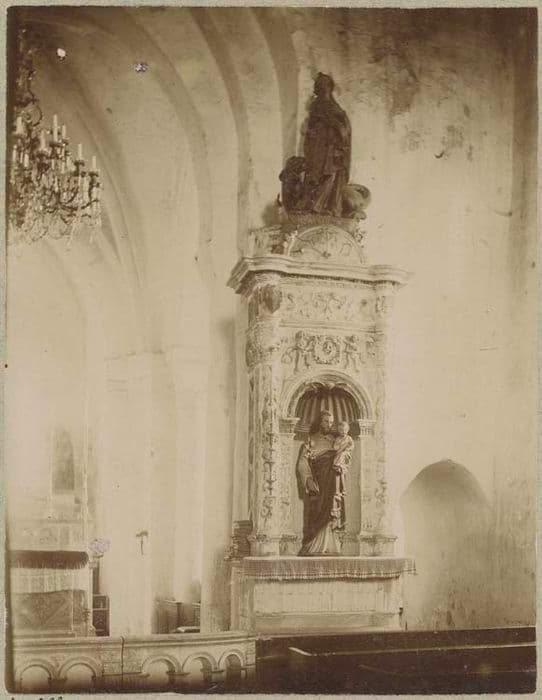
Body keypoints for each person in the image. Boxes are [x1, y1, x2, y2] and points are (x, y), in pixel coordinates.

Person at [299, 73, 351, 217]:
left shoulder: (336, 108)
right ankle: (313, 205)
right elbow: (310, 128)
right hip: (318, 148)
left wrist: (338, 128)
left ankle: (324, 206)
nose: (321, 89)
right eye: (319, 86)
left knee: (330, 174)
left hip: (331, 149)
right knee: (315, 175)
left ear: (329, 88)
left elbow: (344, 130)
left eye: (324, 86)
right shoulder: (316, 106)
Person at [296, 410, 347, 556]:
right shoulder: (311, 440)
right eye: (326, 421)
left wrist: (342, 463)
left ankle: (332, 546)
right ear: (320, 422)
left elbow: (345, 455)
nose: (329, 425)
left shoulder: (336, 440)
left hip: (333, 482)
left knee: (332, 510)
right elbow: (302, 462)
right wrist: (308, 479)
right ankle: (313, 546)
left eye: (331, 422)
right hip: (318, 483)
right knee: (317, 510)